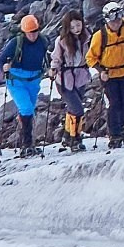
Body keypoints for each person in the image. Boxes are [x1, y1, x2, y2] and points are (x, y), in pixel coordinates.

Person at [0, 12, 50, 156]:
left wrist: (51, 69)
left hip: (34, 80)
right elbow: (0, 60)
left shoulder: (43, 41)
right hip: (17, 80)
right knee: (26, 108)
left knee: (29, 110)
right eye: (30, 32)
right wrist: (3, 68)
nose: (33, 35)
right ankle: (26, 144)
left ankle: (27, 144)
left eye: (35, 31)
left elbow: (48, 57)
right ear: (24, 32)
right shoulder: (16, 42)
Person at [87, 1, 124, 147]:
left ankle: (121, 128)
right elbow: (90, 58)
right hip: (109, 76)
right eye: (113, 18)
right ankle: (114, 134)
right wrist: (101, 71)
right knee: (114, 104)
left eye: (118, 16)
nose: (116, 21)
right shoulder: (100, 36)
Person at [48, 9, 91, 149]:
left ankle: (67, 135)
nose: (76, 29)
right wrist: (54, 69)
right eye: (72, 27)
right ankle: (75, 138)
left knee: (73, 108)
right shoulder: (61, 41)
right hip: (65, 79)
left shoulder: (88, 37)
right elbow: (56, 57)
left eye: (78, 25)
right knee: (77, 109)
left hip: (81, 77)